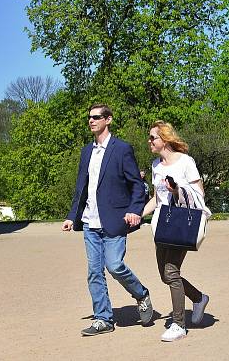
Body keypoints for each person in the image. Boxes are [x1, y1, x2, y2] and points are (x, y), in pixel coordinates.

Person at [62, 104, 153, 336]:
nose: (91, 121)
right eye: (89, 118)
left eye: (96, 117)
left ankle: (141, 294)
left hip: (114, 220)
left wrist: (135, 210)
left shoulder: (121, 149)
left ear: (108, 120)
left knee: (114, 266)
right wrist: (72, 216)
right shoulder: (86, 152)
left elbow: (136, 186)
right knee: (94, 272)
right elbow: (81, 188)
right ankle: (103, 319)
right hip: (90, 223)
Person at [142, 120, 211, 342]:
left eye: (153, 137)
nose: (149, 141)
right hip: (162, 224)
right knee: (165, 275)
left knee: (171, 272)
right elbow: (156, 198)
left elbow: (199, 193)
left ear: (165, 139)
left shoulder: (185, 162)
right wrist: (138, 215)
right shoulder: (155, 166)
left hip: (182, 223)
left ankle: (179, 324)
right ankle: (199, 298)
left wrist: (177, 191)